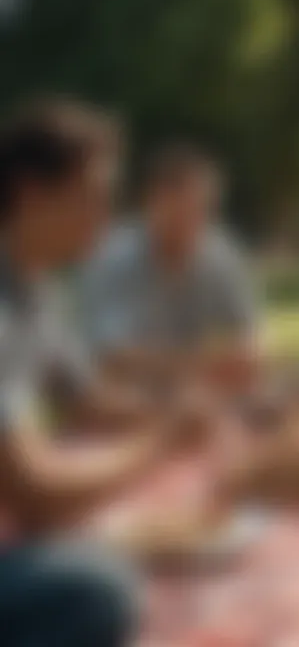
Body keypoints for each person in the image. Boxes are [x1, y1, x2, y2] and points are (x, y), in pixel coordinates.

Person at [0, 98, 208, 646]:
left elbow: (83, 397)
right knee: (97, 590)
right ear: (31, 192)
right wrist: (159, 442)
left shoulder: (37, 287)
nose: (107, 218)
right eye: (93, 197)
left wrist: (175, 414)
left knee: (103, 546)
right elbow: (37, 498)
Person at [80, 143, 260, 393]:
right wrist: (200, 364)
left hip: (194, 395)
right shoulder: (112, 257)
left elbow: (248, 336)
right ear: (151, 202)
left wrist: (244, 355)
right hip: (118, 399)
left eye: (203, 209)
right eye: (184, 209)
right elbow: (109, 356)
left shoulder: (220, 255)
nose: (194, 222)